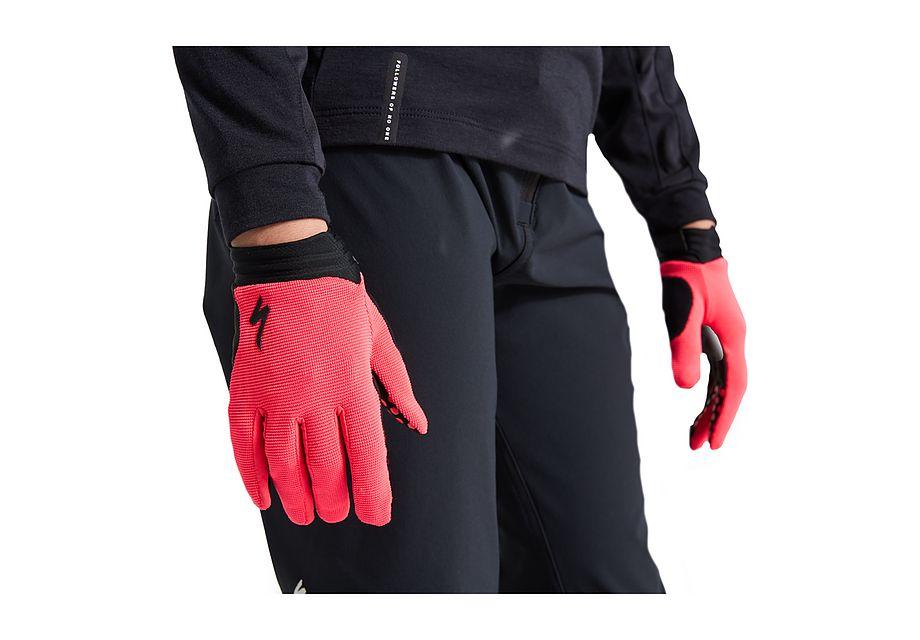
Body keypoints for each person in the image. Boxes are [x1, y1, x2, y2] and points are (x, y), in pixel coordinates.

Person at [174, 46, 747, 594]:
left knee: (609, 588)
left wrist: (687, 224)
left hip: (553, 174)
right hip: (371, 150)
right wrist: (283, 240)